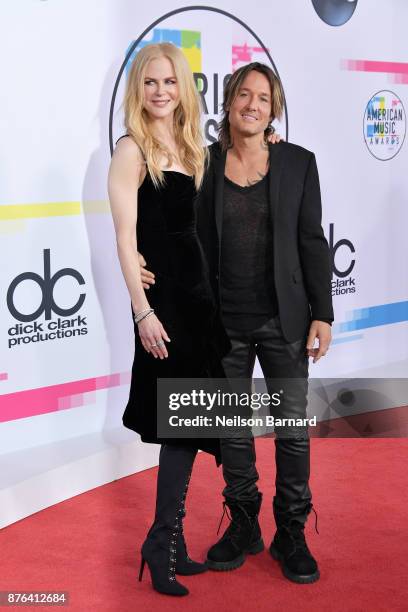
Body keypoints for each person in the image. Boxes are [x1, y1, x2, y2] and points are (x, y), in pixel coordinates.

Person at [141, 62, 333, 584]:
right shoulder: (204, 163)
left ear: (275, 109)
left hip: (284, 320)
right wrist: (137, 258)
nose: (252, 104)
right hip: (222, 324)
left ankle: (289, 530)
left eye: (263, 98)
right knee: (233, 433)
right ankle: (244, 521)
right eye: (244, 94)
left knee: (292, 431)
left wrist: (323, 313)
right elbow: (181, 233)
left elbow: (313, 242)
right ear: (228, 102)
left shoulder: (298, 164)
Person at [108, 42, 230, 597]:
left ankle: (168, 542)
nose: (161, 92)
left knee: (192, 424)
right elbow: (123, 239)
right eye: (151, 82)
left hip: (197, 300)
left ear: (184, 89)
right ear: (139, 89)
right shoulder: (131, 149)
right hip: (164, 311)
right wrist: (142, 312)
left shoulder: (189, 146)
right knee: (180, 428)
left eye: (170, 83)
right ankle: (162, 543)